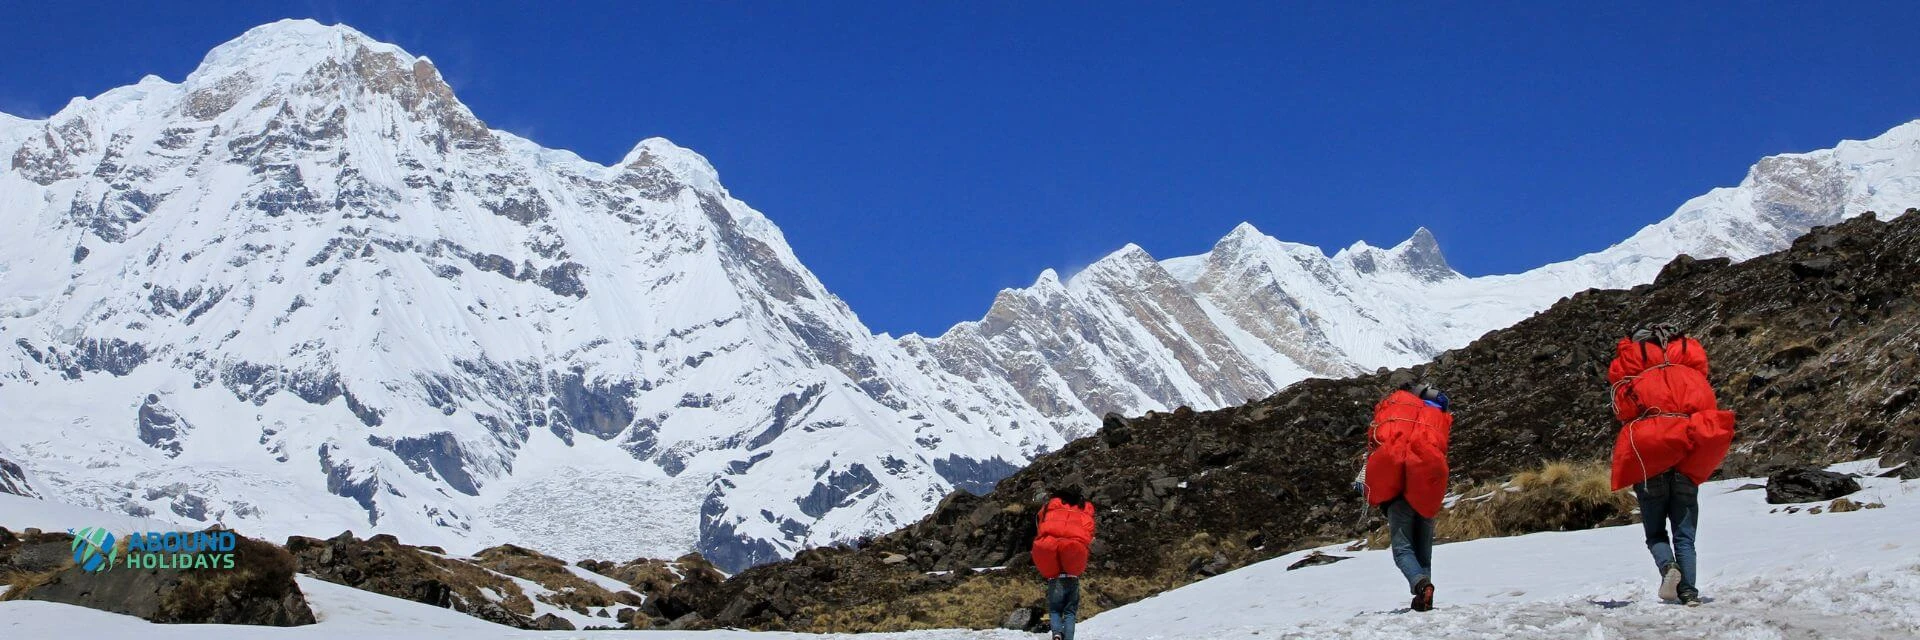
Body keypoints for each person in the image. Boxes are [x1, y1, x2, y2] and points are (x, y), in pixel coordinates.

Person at [1607, 322, 1736, 607]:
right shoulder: (1691, 373)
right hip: (1688, 454)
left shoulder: (1637, 373)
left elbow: (1623, 410)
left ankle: (1668, 568)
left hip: (1651, 454)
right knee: (1685, 535)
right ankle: (1689, 594)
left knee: (1655, 532)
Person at [1362, 382, 1453, 612]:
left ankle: (1421, 586)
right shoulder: (1432, 418)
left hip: (1399, 495)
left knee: (1402, 550)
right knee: (1423, 551)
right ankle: (1425, 597)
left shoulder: (1398, 417)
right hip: (1426, 491)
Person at [1031, 486, 1095, 640]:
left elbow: (1040, 523)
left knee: (1054, 610)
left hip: (1055, 578)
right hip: (1072, 576)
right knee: (1070, 612)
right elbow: (1089, 530)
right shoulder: (1082, 509)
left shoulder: (1051, 506)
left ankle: (1057, 634)